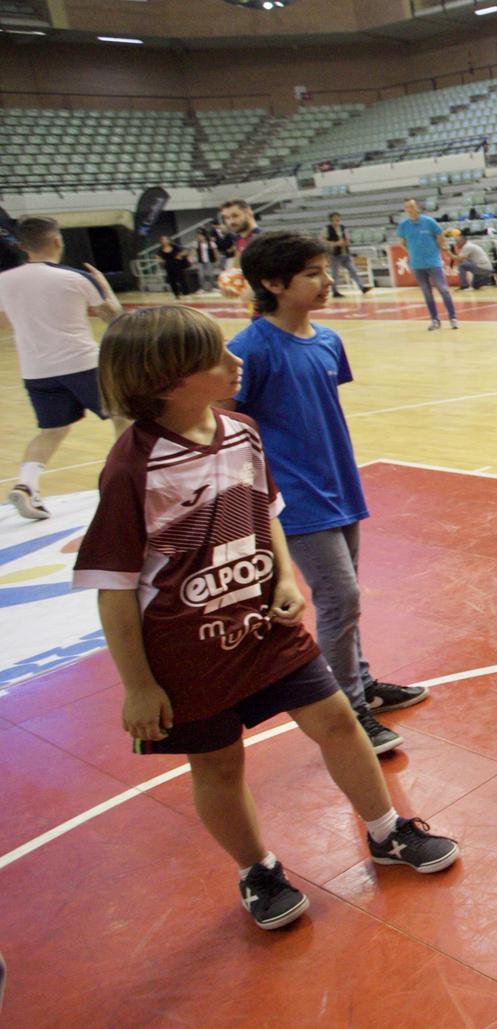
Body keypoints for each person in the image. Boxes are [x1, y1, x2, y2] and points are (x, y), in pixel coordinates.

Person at [76, 305, 458, 932]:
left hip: (266, 628)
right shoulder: (132, 468)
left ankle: (387, 831)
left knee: (337, 720)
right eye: (216, 359)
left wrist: (284, 575)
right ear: (168, 380)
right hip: (188, 649)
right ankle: (257, 868)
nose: (236, 364)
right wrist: (139, 684)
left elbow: (269, 512)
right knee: (220, 764)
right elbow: (114, 588)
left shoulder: (242, 431)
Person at [229, 232, 430, 755]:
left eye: (325, 270)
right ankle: (348, 706)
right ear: (273, 283)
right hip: (296, 497)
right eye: (312, 274)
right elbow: (228, 423)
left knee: (346, 598)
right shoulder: (248, 350)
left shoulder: (326, 341)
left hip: (340, 483)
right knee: (341, 598)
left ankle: (360, 684)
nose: (326, 281)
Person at [0, 217, 124, 520]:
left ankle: (26, 485)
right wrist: (107, 290)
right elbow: (116, 320)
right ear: (57, 241)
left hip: (36, 369)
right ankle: (124, 482)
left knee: (51, 430)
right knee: (123, 416)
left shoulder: (4, 280)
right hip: (82, 364)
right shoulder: (77, 277)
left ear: (21, 246)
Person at [395, 198, 457, 332]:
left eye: (411, 206)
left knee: (443, 289)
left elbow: (440, 236)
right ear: (405, 210)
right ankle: (435, 320)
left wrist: (440, 247)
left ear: (416, 207)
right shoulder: (404, 225)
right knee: (427, 293)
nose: (409, 209)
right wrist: (411, 252)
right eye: (407, 207)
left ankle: (453, 318)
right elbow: (401, 242)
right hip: (417, 265)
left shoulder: (429, 222)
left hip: (433, 262)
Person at [323, 213, 371, 297]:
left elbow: (348, 238)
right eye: (335, 219)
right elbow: (322, 240)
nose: (337, 221)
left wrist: (347, 241)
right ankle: (334, 291)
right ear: (331, 220)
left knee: (353, 270)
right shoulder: (327, 229)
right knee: (335, 274)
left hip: (345, 253)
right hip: (334, 255)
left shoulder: (343, 228)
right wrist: (334, 243)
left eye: (338, 219)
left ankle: (362, 287)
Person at [155, 234, 192, 298]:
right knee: (172, 281)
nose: (164, 241)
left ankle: (186, 293)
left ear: (169, 240)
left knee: (182, 279)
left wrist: (180, 255)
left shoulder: (175, 246)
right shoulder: (160, 249)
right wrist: (159, 259)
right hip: (169, 266)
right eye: (162, 240)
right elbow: (158, 257)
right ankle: (176, 294)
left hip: (177, 265)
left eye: (165, 239)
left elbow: (185, 251)